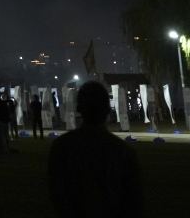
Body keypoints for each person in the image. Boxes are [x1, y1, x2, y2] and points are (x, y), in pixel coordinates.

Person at [47, 81, 143, 218]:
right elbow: (135, 202)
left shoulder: (62, 148)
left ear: (79, 109)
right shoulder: (123, 152)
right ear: (108, 110)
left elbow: (58, 195)